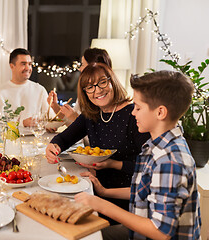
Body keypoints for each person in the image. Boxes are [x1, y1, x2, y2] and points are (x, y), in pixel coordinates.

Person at [75, 70, 201, 239]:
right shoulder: (157, 145)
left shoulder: (169, 161)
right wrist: (104, 192)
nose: (133, 112)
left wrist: (101, 205)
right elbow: (146, 192)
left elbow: (160, 232)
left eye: (138, 107)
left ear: (160, 113)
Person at [46, 63, 150, 225]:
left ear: (112, 81)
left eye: (102, 82)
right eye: (89, 87)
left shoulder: (134, 115)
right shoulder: (92, 114)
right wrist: (54, 146)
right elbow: (65, 138)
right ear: (85, 93)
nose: (97, 90)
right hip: (96, 189)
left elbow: (147, 167)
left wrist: (112, 164)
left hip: (126, 197)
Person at [48, 48, 112, 124]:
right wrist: (55, 106)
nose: (80, 69)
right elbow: (73, 124)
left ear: (93, 66)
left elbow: (97, 132)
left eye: (82, 64)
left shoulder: (104, 96)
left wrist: (75, 117)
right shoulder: (86, 91)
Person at [0, 48, 54, 127]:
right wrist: (22, 123)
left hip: (37, 138)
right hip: (11, 139)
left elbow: (50, 118)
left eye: (30, 64)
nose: (28, 68)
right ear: (12, 66)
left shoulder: (40, 89)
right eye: (23, 64)